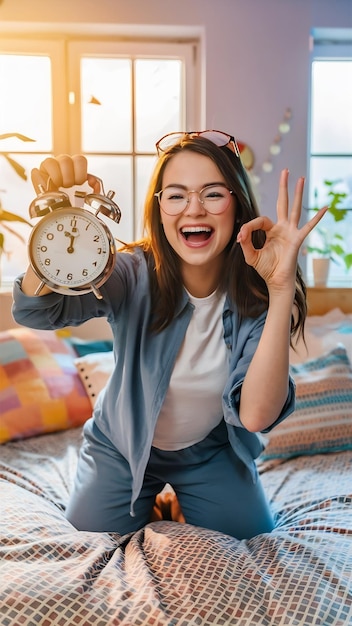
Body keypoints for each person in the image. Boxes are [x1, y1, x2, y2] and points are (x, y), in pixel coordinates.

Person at [12, 130, 327, 539]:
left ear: (237, 205)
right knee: (88, 539)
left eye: (213, 194)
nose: (193, 209)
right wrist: (56, 229)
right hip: (120, 447)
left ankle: (178, 497)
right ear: (160, 209)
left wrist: (282, 286)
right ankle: (156, 497)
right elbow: (39, 311)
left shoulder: (256, 290)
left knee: (254, 540)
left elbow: (256, 416)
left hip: (210, 452)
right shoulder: (130, 272)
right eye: (176, 195)